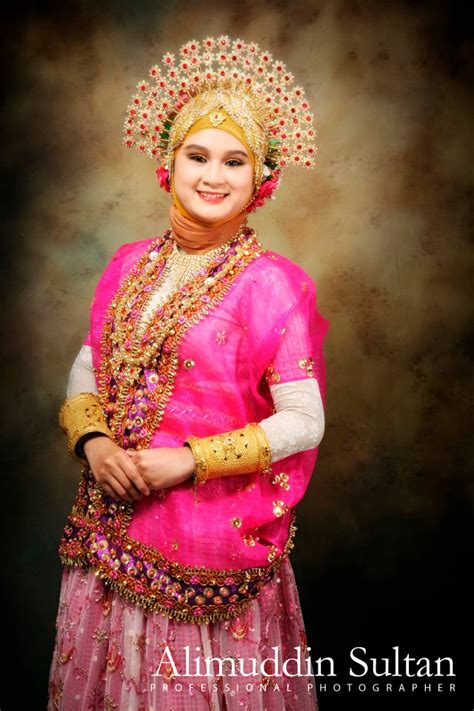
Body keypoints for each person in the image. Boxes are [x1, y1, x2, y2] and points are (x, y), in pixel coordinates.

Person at [48, 35, 329, 710]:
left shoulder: (273, 285)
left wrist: (190, 460)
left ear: (261, 180)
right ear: (167, 164)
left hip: (210, 549)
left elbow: (305, 420)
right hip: (109, 531)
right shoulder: (128, 264)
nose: (213, 176)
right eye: (197, 156)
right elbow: (86, 368)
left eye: (235, 161)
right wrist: (94, 441)